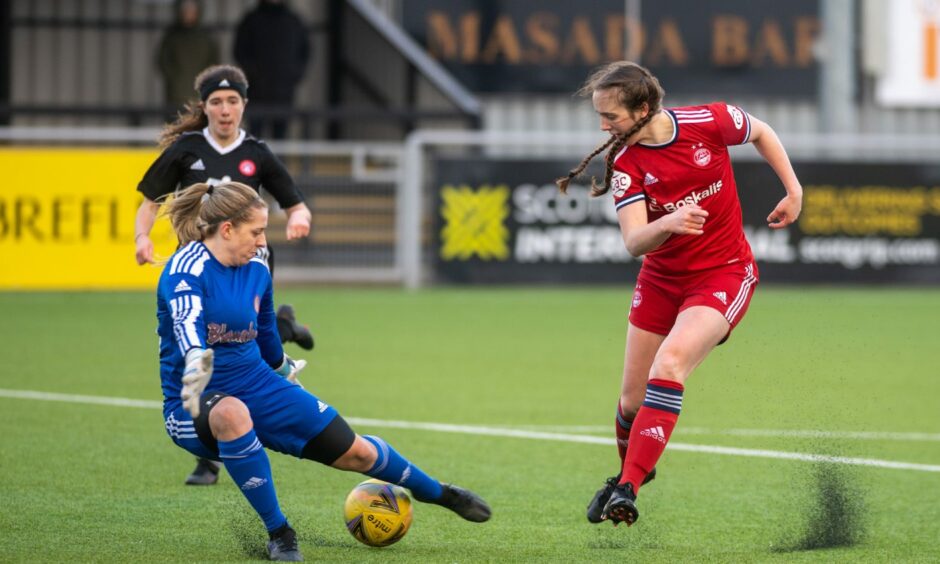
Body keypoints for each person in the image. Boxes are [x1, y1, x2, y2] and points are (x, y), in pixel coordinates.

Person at [156, 181, 491, 561]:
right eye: (257, 231)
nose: (264, 241)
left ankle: (437, 492)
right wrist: (197, 356)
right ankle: (280, 533)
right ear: (227, 229)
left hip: (258, 385)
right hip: (194, 403)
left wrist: (284, 370)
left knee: (359, 453)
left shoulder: (258, 264)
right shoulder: (186, 268)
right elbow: (187, 319)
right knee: (232, 413)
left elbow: (265, 332)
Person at [556, 61, 802, 527]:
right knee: (631, 403)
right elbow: (634, 243)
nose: (603, 127)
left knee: (668, 366)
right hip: (660, 282)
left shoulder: (708, 122)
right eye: (600, 118)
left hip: (724, 275)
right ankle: (635, 470)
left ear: (644, 108)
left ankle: (626, 486)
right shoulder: (626, 166)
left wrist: (793, 190)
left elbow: (762, 132)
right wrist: (666, 223)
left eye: (611, 117)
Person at [135, 64, 315, 487]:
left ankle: (279, 332)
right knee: (200, 350)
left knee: (235, 343)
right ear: (205, 107)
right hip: (199, 276)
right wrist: (143, 238)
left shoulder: (257, 153)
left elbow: (296, 202)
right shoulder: (186, 149)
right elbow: (149, 200)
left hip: (249, 271)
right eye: (216, 101)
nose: (224, 108)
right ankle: (209, 450)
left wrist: (299, 219)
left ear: (243, 105)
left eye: (232, 100)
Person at [234, 0, 310, 139]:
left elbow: (305, 52)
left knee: (280, 140)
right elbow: (240, 52)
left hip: (284, 92)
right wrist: (254, 76)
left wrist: (293, 76)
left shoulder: (293, 21)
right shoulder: (251, 20)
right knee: (255, 140)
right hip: (257, 92)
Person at [157, 0, 220, 118]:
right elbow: (163, 61)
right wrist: (175, 79)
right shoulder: (172, 36)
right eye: (185, 11)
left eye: (192, 11)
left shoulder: (206, 38)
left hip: (200, 93)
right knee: (175, 126)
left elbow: (214, 64)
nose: (188, 15)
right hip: (175, 95)